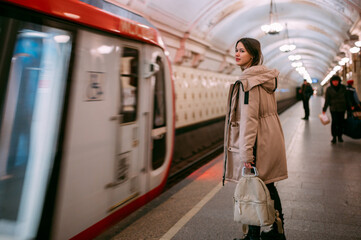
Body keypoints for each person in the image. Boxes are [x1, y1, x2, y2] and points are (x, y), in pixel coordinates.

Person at [223, 37, 288, 240]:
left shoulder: (248, 83)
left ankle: (266, 235)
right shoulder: (265, 78)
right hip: (269, 138)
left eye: (242, 50)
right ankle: (271, 232)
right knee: (265, 185)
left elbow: (249, 120)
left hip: (258, 142)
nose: (237, 54)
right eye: (236, 50)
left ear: (253, 54)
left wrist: (246, 153)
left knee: (256, 187)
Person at [322, 75, 347, 143]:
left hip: (342, 108)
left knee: (341, 122)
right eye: (334, 81)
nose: (335, 82)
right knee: (334, 122)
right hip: (334, 108)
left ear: (339, 81)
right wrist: (324, 109)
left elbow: (347, 98)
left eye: (337, 81)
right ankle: (334, 137)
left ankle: (340, 136)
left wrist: (349, 106)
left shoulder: (343, 88)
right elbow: (327, 100)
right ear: (331, 82)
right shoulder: (329, 89)